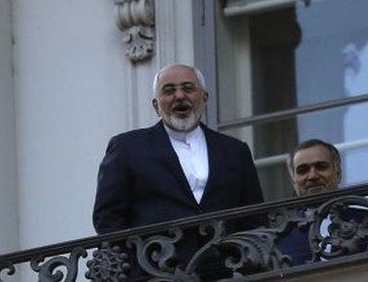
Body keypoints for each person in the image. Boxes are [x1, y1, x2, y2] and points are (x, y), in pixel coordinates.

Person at [92, 64, 264, 234]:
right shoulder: (127, 148)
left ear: (205, 98)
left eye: (188, 88)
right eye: (168, 91)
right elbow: (107, 218)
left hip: (226, 260)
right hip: (157, 260)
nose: (180, 96)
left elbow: (254, 216)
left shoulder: (235, 151)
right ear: (156, 106)